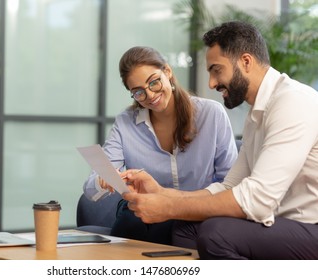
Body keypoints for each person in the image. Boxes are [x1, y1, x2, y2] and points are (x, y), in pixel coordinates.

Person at [122, 21, 318, 259]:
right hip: (278, 223)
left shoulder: (293, 102)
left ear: (246, 62)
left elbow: (257, 200)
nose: (211, 83)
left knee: (217, 233)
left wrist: (168, 207)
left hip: (309, 227)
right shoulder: (257, 113)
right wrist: (163, 194)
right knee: (186, 228)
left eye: (216, 70)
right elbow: (230, 186)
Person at [82, 46, 238, 245]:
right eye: (138, 92)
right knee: (135, 219)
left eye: (153, 82)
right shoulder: (125, 123)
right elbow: (90, 188)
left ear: (167, 72)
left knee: (174, 227)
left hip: (196, 212)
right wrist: (105, 179)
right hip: (143, 217)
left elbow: (232, 184)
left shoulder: (211, 114)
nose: (150, 96)